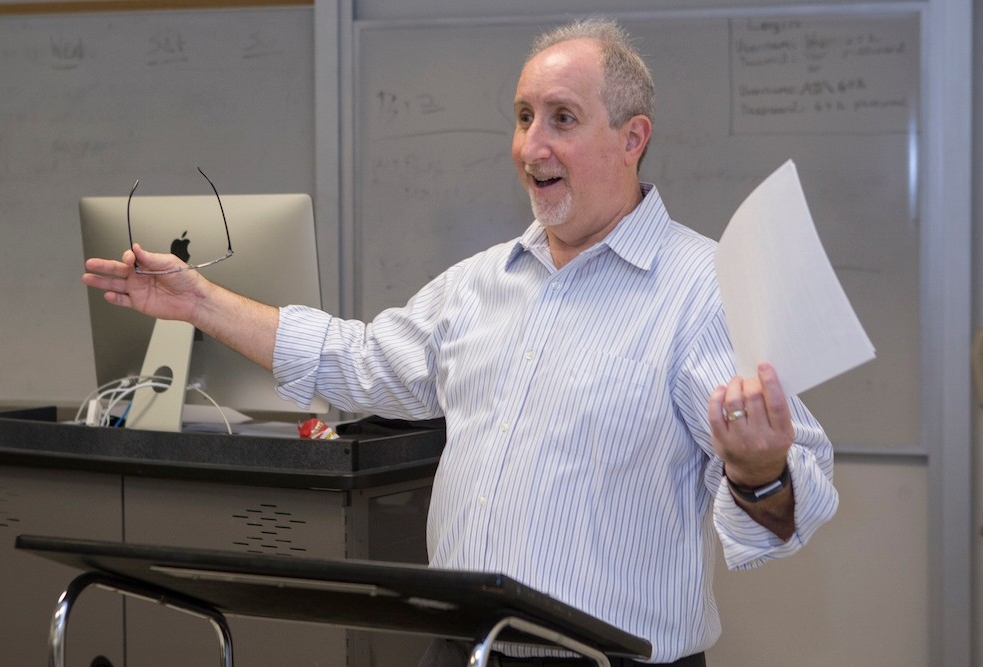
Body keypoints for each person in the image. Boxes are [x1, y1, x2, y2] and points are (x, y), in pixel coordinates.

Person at [82, 17, 838, 667]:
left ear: (631, 138)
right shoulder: (480, 283)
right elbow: (354, 361)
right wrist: (201, 302)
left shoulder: (702, 287)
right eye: (521, 115)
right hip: (460, 649)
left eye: (562, 118)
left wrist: (759, 473)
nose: (529, 145)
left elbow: (793, 496)